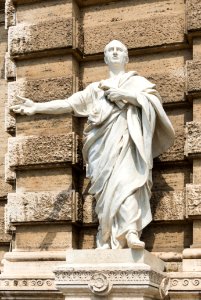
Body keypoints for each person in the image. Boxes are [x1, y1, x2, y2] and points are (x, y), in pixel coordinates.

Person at [11, 40, 175, 250]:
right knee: (105, 193)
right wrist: (36, 107)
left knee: (128, 185)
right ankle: (105, 236)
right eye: (110, 50)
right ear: (105, 58)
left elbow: (154, 105)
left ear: (126, 57)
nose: (115, 53)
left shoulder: (139, 84)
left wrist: (125, 96)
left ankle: (131, 231)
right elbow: (69, 104)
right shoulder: (95, 89)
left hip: (128, 147)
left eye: (119, 50)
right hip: (101, 150)